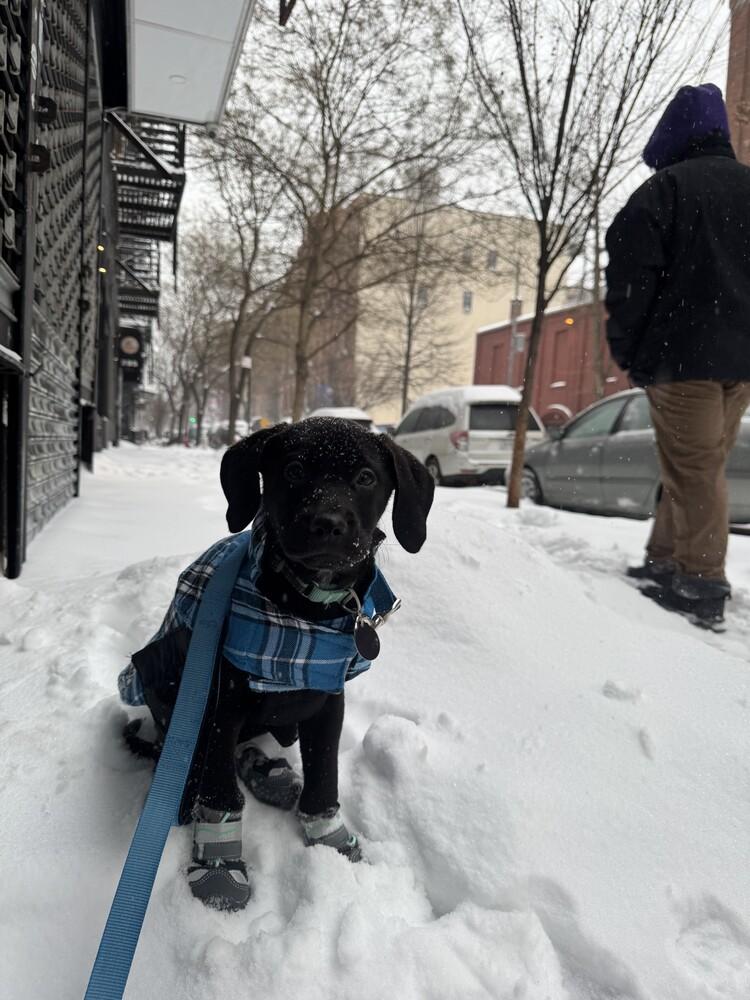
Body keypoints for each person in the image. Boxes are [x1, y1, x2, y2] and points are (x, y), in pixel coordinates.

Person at [605, 83, 750, 629]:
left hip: (682, 359)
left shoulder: (663, 192)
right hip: (741, 364)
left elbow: (629, 285)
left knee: (694, 470)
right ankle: (664, 560)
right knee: (694, 466)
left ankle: (702, 583)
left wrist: (631, 353)